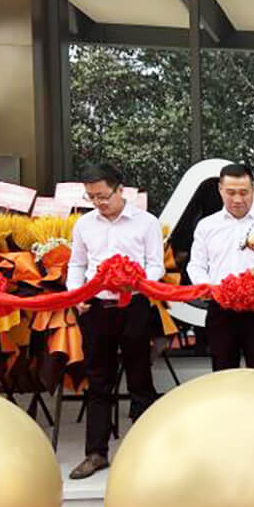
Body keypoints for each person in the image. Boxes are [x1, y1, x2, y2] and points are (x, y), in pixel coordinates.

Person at [67, 163, 165, 480]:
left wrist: (135, 282)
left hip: (134, 305)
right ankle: (96, 453)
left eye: (103, 196)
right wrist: (77, 294)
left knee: (140, 376)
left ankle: (147, 451)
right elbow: (76, 265)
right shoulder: (84, 225)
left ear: (120, 190)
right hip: (96, 309)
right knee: (98, 379)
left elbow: (156, 266)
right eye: (92, 197)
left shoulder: (146, 222)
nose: (99, 202)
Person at [187, 163, 254, 371]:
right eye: (231, 192)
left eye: (244, 192)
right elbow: (196, 265)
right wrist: (206, 285)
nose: (237, 199)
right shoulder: (206, 226)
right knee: (222, 370)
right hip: (221, 307)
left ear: (253, 191)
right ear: (220, 190)